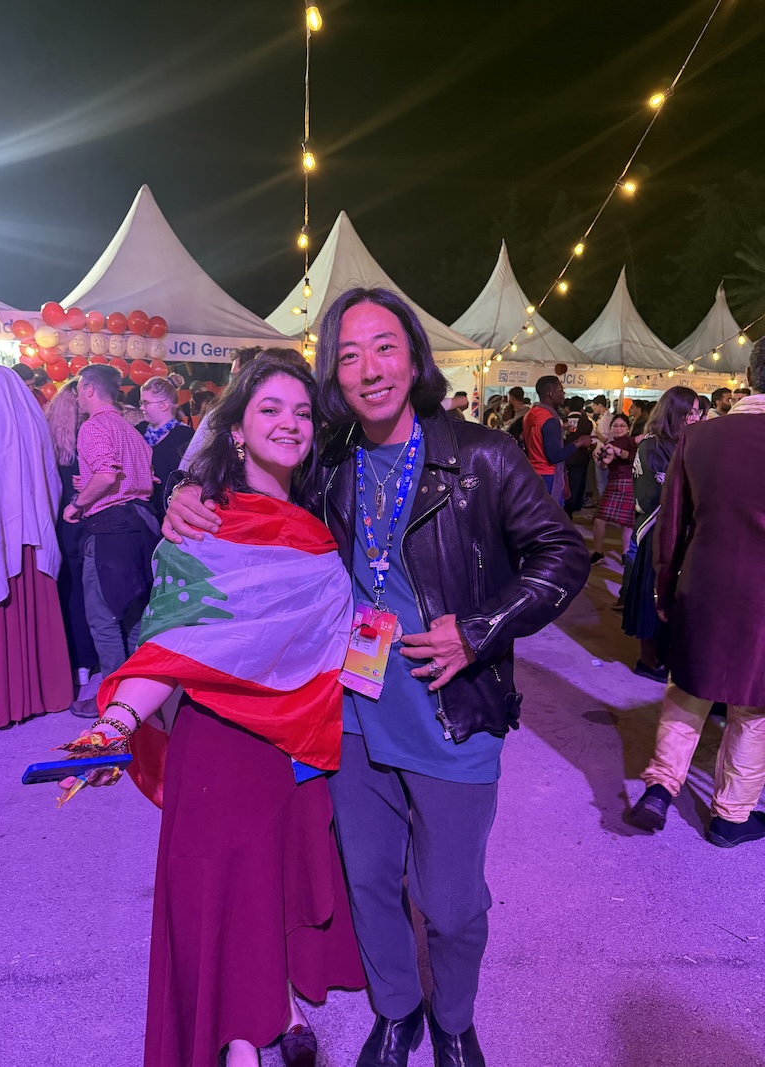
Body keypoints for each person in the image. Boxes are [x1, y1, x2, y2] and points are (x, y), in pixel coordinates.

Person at [166, 287, 591, 1067]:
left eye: (384, 347)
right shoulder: (328, 458)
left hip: (452, 715)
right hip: (354, 718)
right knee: (367, 881)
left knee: (451, 905)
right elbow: (250, 475)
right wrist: (187, 490)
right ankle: (397, 1009)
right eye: (349, 355)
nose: (369, 369)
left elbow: (563, 555)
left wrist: (478, 629)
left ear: (414, 357)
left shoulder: (481, 457)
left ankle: (453, 1019)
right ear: (334, 373)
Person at [60, 351, 365, 1067]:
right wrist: (116, 725)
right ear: (236, 430)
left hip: (296, 741)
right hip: (221, 743)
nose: (289, 423)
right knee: (217, 890)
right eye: (270, 409)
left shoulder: (324, 520)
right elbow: (173, 644)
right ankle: (238, 1043)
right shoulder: (202, 522)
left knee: (272, 883)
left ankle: (274, 1008)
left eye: (301, 412)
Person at [628, 340, 765, 847]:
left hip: (704, 585)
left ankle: (660, 787)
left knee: (687, 690)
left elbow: (673, 525)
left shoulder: (700, 436)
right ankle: (731, 814)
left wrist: (664, 590)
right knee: (755, 710)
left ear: (748, 375)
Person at [0, 366, 73, 728]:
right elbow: (51, 480)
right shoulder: (34, 420)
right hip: (33, 543)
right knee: (35, 614)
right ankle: (46, 694)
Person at [64, 364, 157, 716]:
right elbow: (147, 478)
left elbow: (106, 475)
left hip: (110, 530)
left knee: (103, 618)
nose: (77, 397)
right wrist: (90, 483)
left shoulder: (93, 426)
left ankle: (111, 701)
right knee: (134, 614)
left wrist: (77, 503)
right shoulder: (131, 430)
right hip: (142, 526)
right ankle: (137, 700)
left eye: (78, 391)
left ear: (89, 389)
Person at [622, 387, 700, 681]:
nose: (696, 418)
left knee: (674, 598)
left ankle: (666, 655)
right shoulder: (651, 446)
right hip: (657, 532)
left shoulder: (686, 441)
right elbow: (654, 495)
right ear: (675, 413)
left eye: (698, 412)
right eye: (691, 412)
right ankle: (648, 660)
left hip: (682, 532)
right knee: (652, 595)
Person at [45, 381, 98, 686]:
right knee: (89, 595)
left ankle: (74, 662)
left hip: (60, 527)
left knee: (67, 593)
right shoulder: (91, 439)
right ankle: (89, 660)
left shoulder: (47, 443)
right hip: (87, 523)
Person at [523, 375, 593, 504]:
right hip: (548, 476)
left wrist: (559, 430)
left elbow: (533, 439)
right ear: (551, 393)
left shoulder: (531, 414)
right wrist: (579, 442)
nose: (564, 393)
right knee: (551, 513)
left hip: (532, 471)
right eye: (561, 390)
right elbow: (554, 456)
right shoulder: (549, 419)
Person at [138, 376, 194, 521]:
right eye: (141, 402)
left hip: (171, 513)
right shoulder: (138, 431)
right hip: (142, 514)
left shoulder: (184, 436)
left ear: (164, 405)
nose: (141, 407)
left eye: (146, 402)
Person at [589, 413, 637, 565]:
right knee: (599, 519)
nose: (618, 428)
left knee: (627, 523)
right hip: (613, 483)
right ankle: (598, 552)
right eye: (615, 425)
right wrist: (600, 460)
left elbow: (630, 456)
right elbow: (604, 467)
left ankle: (625, 554)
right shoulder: (609, 444)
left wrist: (617, 451)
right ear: (610, 428)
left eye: (622, 425)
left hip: (629, 483)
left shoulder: (632, 442)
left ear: (628, 428)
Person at [563, 396, 593, 517]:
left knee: (563, 484)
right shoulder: (587, 423)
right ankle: (571, 510)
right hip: (580, 458)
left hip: (563, 457)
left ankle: (563, 509)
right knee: (576, 485)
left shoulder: (562, 421)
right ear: (582, 408)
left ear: (568, 407)